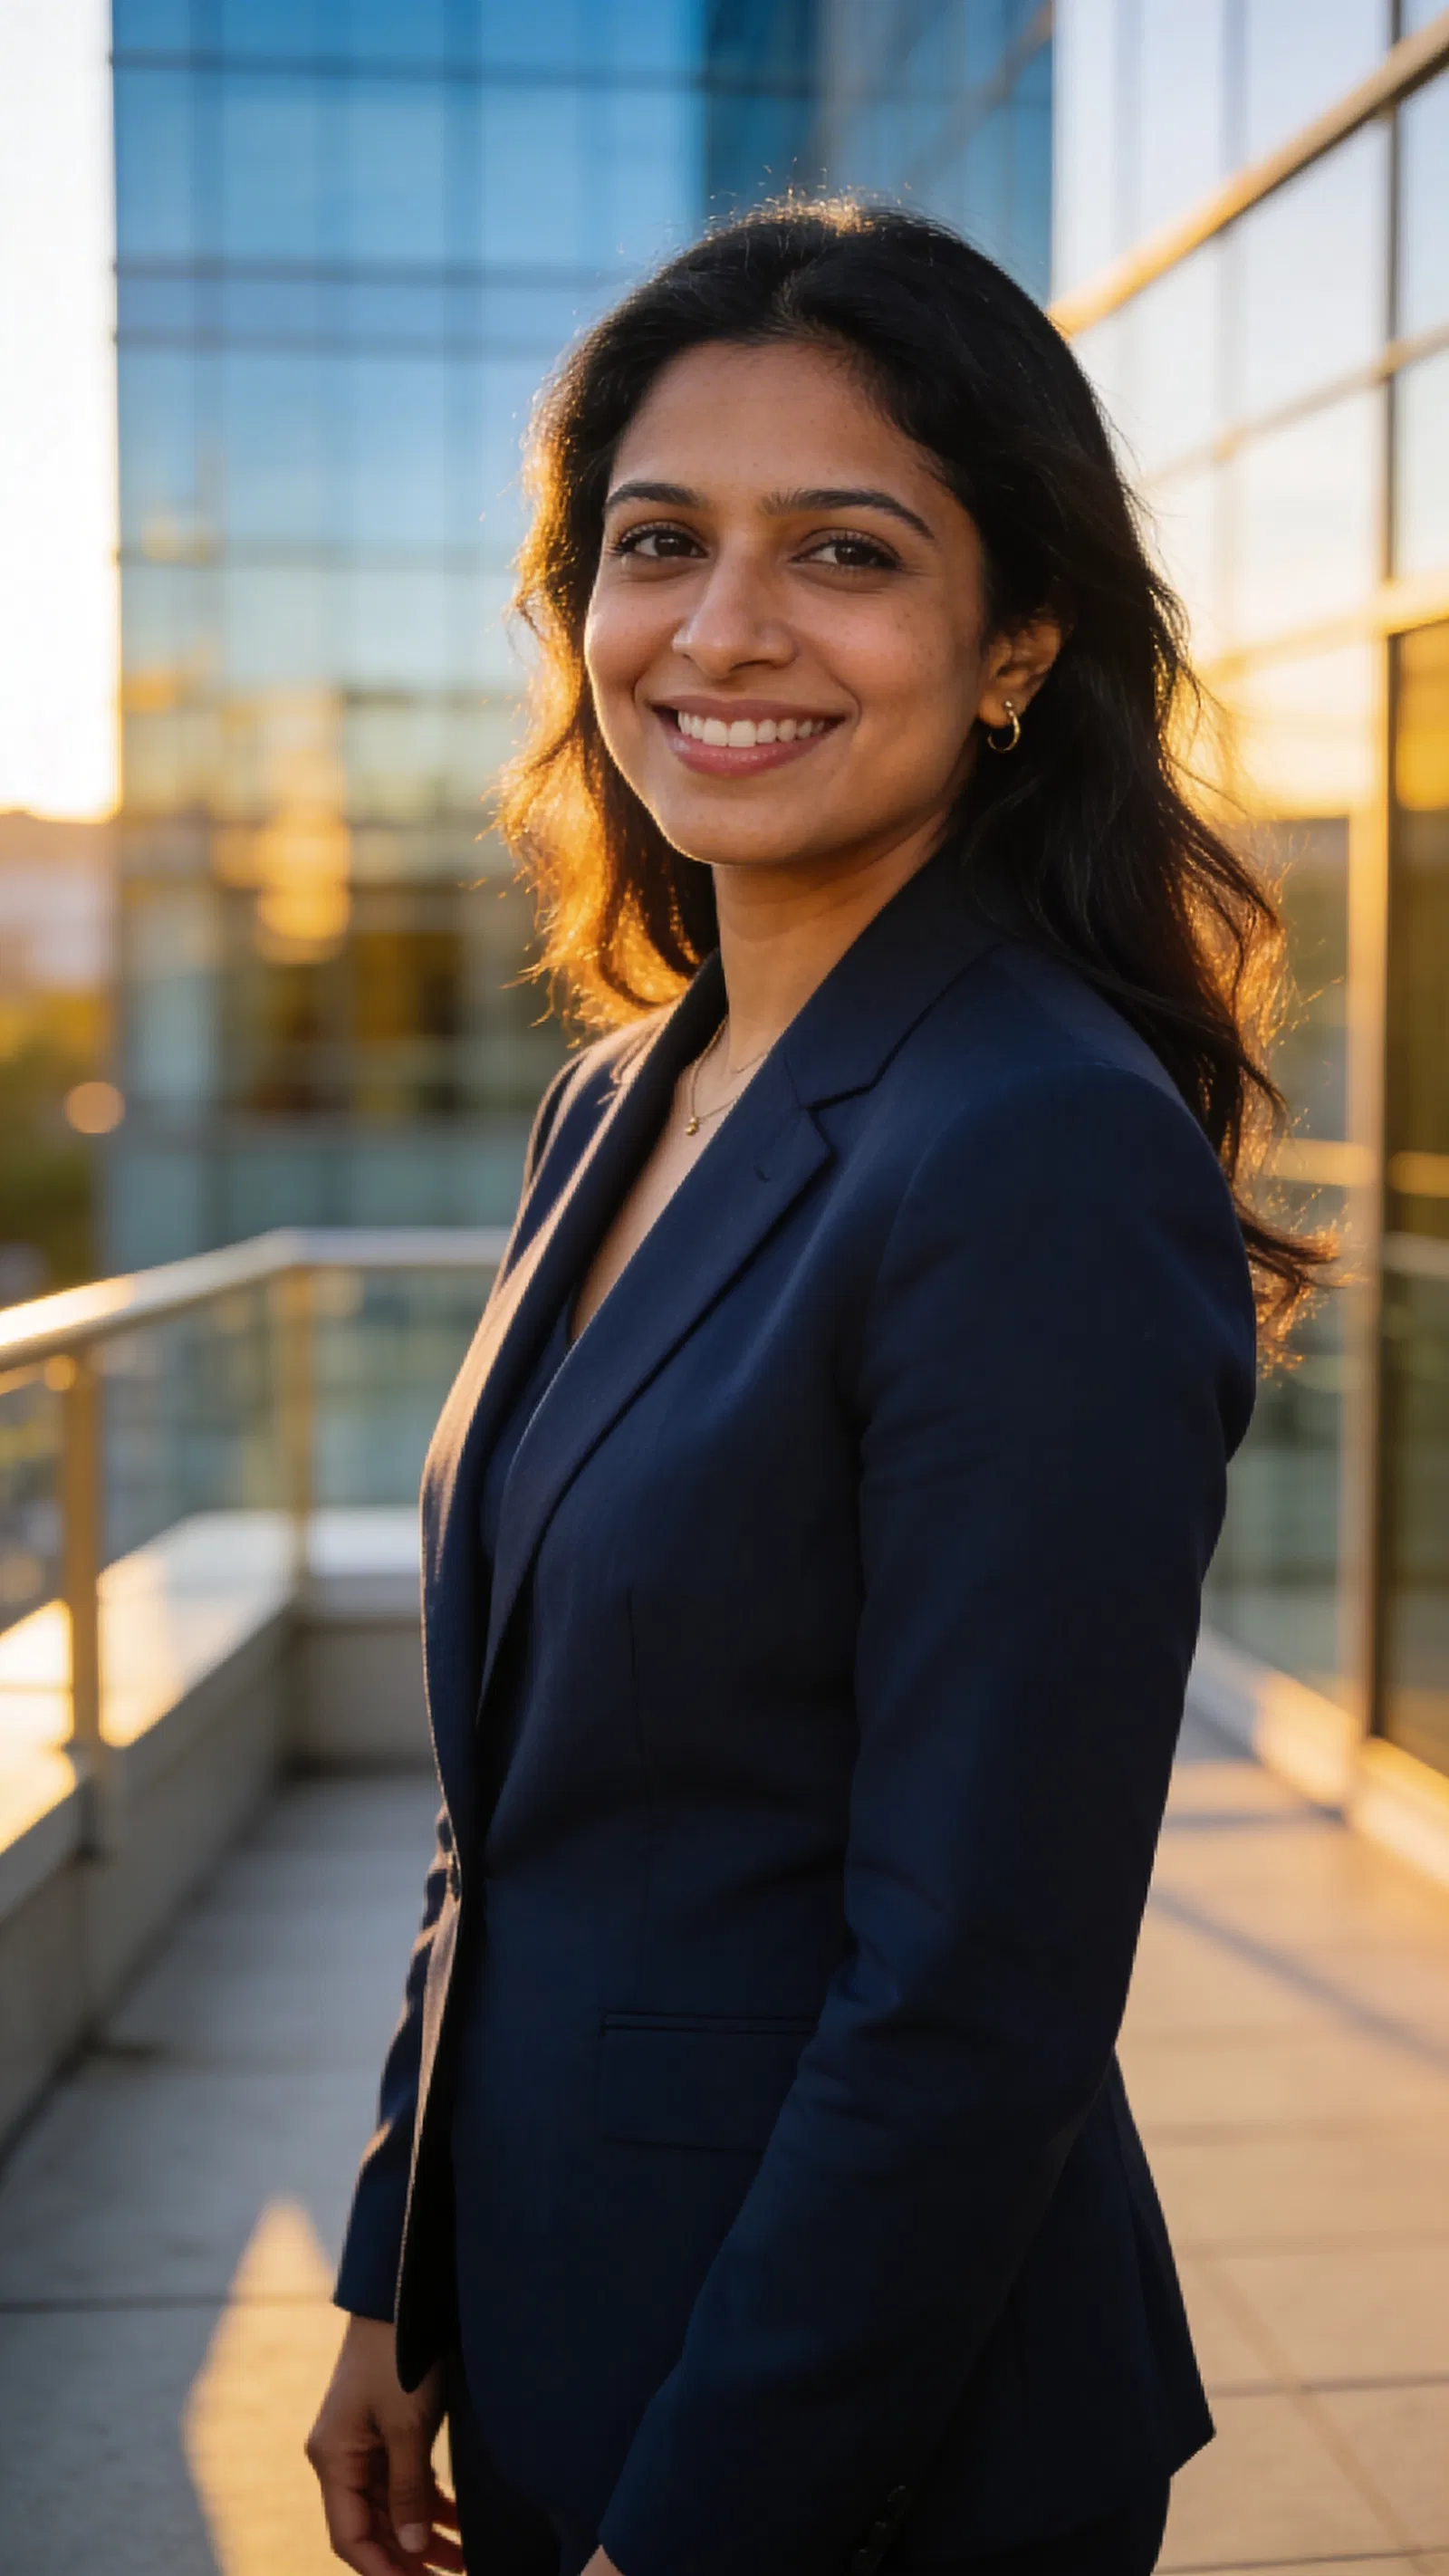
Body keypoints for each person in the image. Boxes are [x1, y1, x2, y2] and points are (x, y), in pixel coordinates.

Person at [306, 202, 1321, 2576]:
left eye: (844, 550)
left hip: (858, 2435)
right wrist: (399, 2272)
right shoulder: (632, 1093)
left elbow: (978, 1984)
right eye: (658, 542)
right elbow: (520, 1799)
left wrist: (714, 2525)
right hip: (554, 2320)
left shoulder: (1037, 1143)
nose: (723, 627)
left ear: (1016, 643)